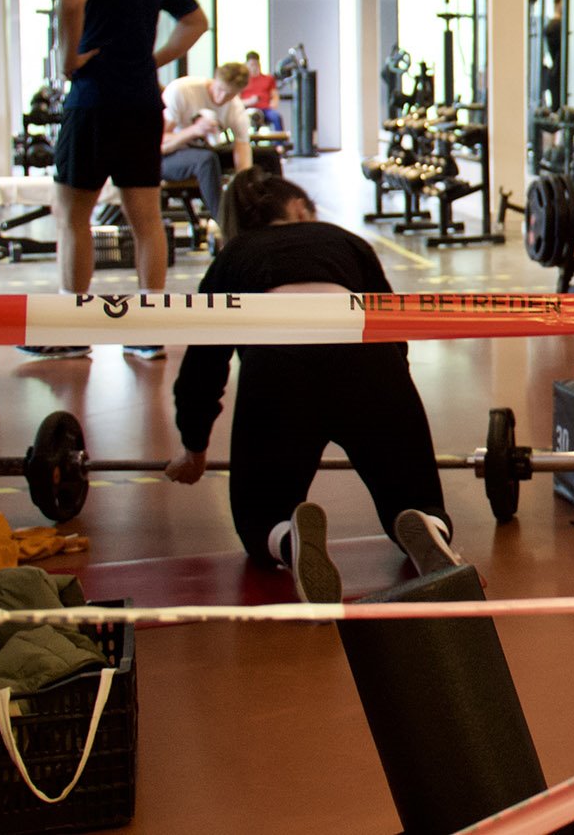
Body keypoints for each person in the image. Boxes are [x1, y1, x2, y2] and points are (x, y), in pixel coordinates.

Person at [163, 169, 457, 592]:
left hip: (278, 366)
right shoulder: (344, 241)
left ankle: (287, 539)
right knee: (415, 498)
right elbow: (392, 327)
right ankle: (428, 525)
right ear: (299, 208)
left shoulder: (234, 255)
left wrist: (194, 446)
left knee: (259, 520)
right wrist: (394, 401)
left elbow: (204, 362)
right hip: (367, 360)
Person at [22, 0, 207, 363]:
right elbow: (196, 22)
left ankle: (73, 331)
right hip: (142, 105)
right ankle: (148, 333)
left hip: (95, 101)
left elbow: (71, 2)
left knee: (72, 217)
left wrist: (68, 60)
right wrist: (151, 61)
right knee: (147, 221)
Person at [161, 62, 256, 215]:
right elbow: (158, 144)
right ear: (214, 80)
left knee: (266, 156)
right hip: (166, 158)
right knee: (207, 159)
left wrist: (244, 185)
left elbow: (243, 147)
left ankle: (269, 218)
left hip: (201, 153)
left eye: (229, 95)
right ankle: (224, 221)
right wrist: (194, 131)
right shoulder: (182, 91)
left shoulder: (235, 107)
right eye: (220, 89)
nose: (221, 98)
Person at [239, 50, 284, 131]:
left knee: (276, 117)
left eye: (256, 64)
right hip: (247, 110)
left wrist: (274, 103)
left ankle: (279, 139)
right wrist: (249, 101)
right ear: (246, 65)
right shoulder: (241, 80)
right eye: (251, 65)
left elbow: (275, 95)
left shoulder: (268, 79)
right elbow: (237, 101)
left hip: (265, 110)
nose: (254, 67)